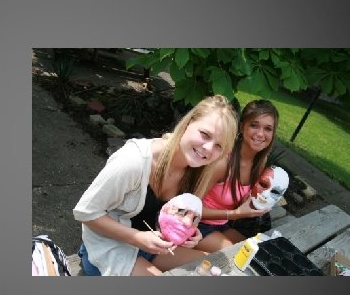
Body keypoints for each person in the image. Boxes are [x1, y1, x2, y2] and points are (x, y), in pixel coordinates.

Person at [73, 94, 238, 276]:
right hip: (109, 246)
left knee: (215, 267)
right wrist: (138, 238)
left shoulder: (198, 170)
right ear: (187, 123)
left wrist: (190, 231)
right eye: (205, 134)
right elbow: (85, 212)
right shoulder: (134, 161)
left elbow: (175, 214)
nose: (208, 148)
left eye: (219, 146)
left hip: (153, 246)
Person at [194, 99, 280, 251]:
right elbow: (191, 208)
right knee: (237, 255)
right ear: (241, 127)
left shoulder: (260, 162)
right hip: (198, 225)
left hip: (224, 224)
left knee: (258, 251)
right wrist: (235, 214)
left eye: (268, 128)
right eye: (254, 125)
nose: (260, 134)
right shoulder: (223, 163)